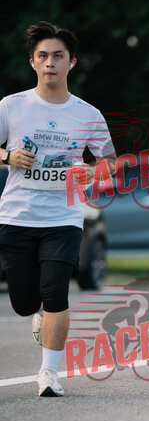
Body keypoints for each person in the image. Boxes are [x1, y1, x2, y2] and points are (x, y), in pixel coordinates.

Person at [0, 21, 116, 397]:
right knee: (24, 302)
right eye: (43, 56)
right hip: (17, 216)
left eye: (58, 56)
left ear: (71, 62)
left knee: (56, 294)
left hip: (63, 218)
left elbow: (111, 162)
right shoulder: (11, 106)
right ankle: (37, 313)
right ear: (32, 62)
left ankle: (49, 373)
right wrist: (8, 156)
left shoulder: (87, 114)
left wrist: (93, 171)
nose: (50, 62)